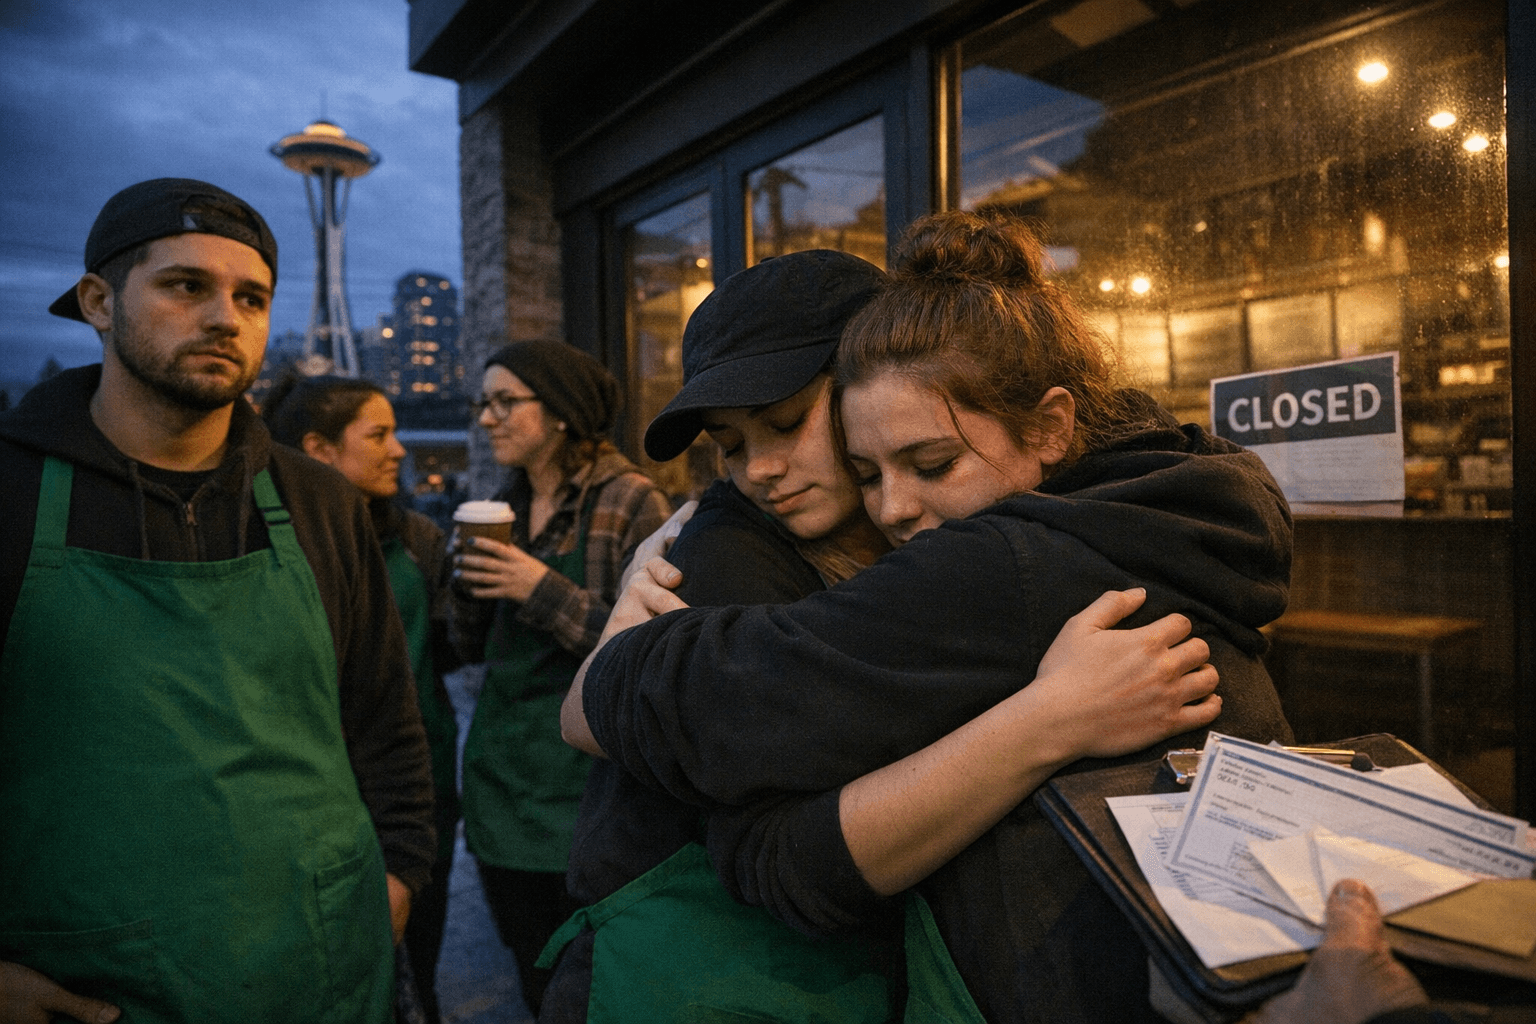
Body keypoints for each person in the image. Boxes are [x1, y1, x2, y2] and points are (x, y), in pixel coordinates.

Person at [567, 211, 1296, 1023]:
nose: (761, 471)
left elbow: (744, 784)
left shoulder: (1007, 554)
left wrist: (604, 670)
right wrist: (1045, 719)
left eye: (786, 423)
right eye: (729, 446)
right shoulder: (1163, 493)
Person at [0, 179, 433, 1023]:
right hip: (87, 983)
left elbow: (386, 717)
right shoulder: (12, 494)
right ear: (98, 300)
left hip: (323, 971)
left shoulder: (320, 503)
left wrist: (400, 876)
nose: (226, 318)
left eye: (252, 297)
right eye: (185, 285)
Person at [449, 340, 670, 1015]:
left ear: (562, 414)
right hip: (502, 783)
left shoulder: (630, 500)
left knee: (595, 982)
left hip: (585, 792)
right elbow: (465, 649)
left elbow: (648, 656)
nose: (486, 418)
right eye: (481, 403)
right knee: (531, 969)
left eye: (504, 401)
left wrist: (538, 586)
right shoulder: (499, 504)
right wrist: (462, 588)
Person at [263, 372, 462, 1024]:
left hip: (418, 788)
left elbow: (450, 652)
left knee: (415, 973)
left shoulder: (417, 540)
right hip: (309, 800)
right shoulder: (269, 548)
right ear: (318, 449)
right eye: (378, 434)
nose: (400, 450)